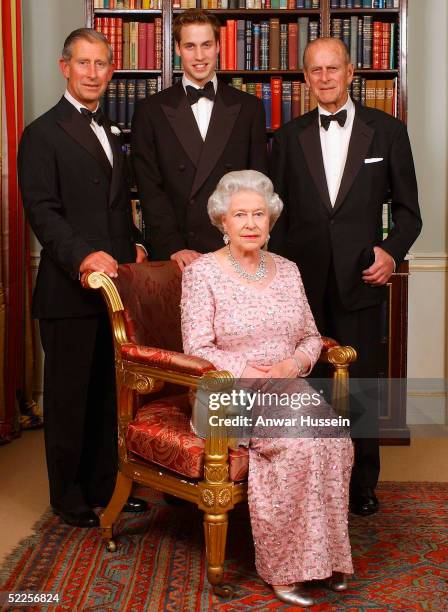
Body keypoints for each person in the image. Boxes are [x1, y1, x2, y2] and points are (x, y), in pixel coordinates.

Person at [181, 170, 353, 607]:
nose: (251, 223)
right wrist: (255, 372)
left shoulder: (289, 271)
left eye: (259, 213)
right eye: (241, 214)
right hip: (225, 393)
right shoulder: (202, 273)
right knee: (295, 444)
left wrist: (290, 364)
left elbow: (311, 337)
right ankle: (285, 568)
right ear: (223, 221)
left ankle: (327, 558)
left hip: (286, 385)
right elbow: (196, 347)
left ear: (271, 220)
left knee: (335, 437)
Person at [269, 37, 422, 516]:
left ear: (351, 72)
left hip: (363, 280)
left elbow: (410, 214)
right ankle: (311, 482)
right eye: (315, 70)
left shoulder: (388, 132)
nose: (325, 78)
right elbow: (275, 216)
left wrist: (391, 253)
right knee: (307, 386)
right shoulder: (288, 136)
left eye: (333, 68)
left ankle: (361, 486)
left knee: (362, 386)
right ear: (305, 78)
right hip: (302, 287)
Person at [18, 28, 148, 528]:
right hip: (68, 291)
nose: (93, 73)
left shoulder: (113, 131)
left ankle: (103, 486)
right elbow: (43, 212)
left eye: (101, 64)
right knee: (70, 398)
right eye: (84, 63)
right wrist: (84, 257)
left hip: (113, 291)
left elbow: (117, 206)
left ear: (111, 71)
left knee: (105, 398)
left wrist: (135, 243)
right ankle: (67, 495)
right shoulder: (42, 133)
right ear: (64, 66)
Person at [131, 9, 268, 271]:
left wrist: (242, 243)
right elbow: (150, 189)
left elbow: (257, 186)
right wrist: (174, 247)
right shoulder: (150, 111)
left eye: (206, 45)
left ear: (218, 46)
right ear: (178, 49)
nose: (200, 56)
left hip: (235, 250)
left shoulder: (250, 108)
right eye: (190, 46)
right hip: (177, 254)